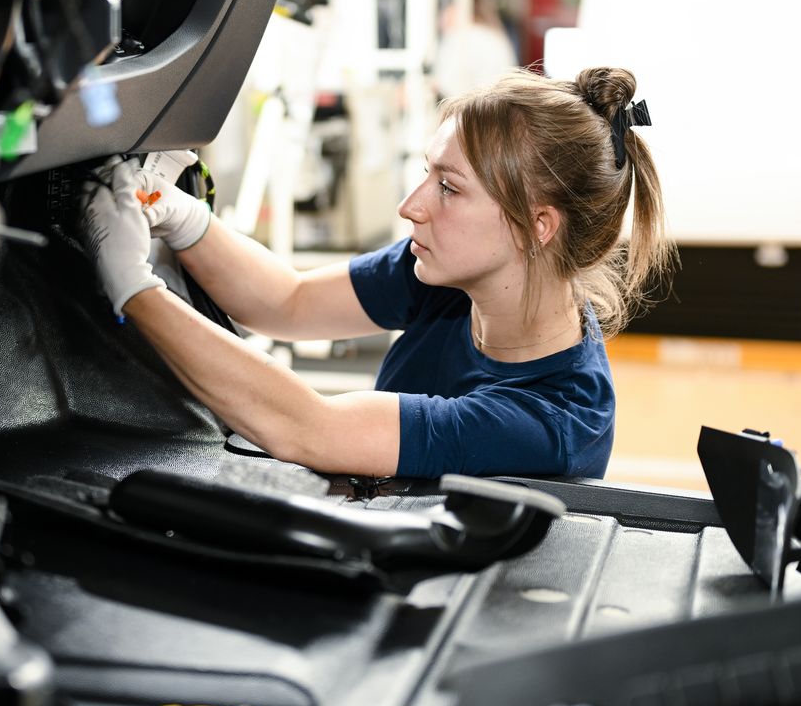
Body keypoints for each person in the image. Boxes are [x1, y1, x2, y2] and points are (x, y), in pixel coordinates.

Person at [80, 66, 674, 479]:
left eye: (448, 188)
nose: (412, 205)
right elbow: (288, 302)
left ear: (534, 226)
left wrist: (134, 287)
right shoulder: (447, 277)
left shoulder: (553, 419)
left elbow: (310, 429)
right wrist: (179, 215)